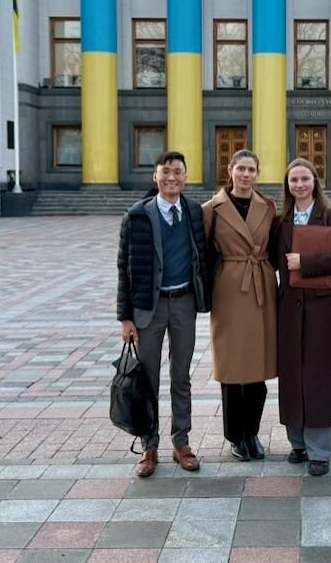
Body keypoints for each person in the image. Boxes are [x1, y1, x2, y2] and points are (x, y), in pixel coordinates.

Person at [116, 151, 211, 478]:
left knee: (181, 376)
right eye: (166, 172)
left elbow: (204, 256)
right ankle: (149, 445)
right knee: (148, 379)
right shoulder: (137, 215)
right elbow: (123, 268)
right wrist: (125, 317)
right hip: (148, 308)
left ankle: (181, 442)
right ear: (155, 177)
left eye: (178, 173)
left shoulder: (195, 212)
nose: (172, 178)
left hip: (183, 302)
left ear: (186, 177)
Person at [271, 157, 331, 476]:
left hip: (321, 309)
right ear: (287, 185)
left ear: (314, 182)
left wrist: (306, 261)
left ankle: (320, 451)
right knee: (292, 374)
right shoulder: (281, 222)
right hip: (289, 309)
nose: (300, 185)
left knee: (319, 376)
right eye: (294, 180)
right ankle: (298, 444)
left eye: (305, 179)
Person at [203, 149, 278, 462]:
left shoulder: (269, 207)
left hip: (261, 284)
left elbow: (276, 248)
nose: (246, 175)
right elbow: (203, 253)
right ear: (229, 170)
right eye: (241, 169)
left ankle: (252, 431)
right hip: (229, 288)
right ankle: (235, 436)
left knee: (258, 366)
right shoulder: (211, 209)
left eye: (252, 170)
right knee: (233, 366)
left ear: (257, 173)